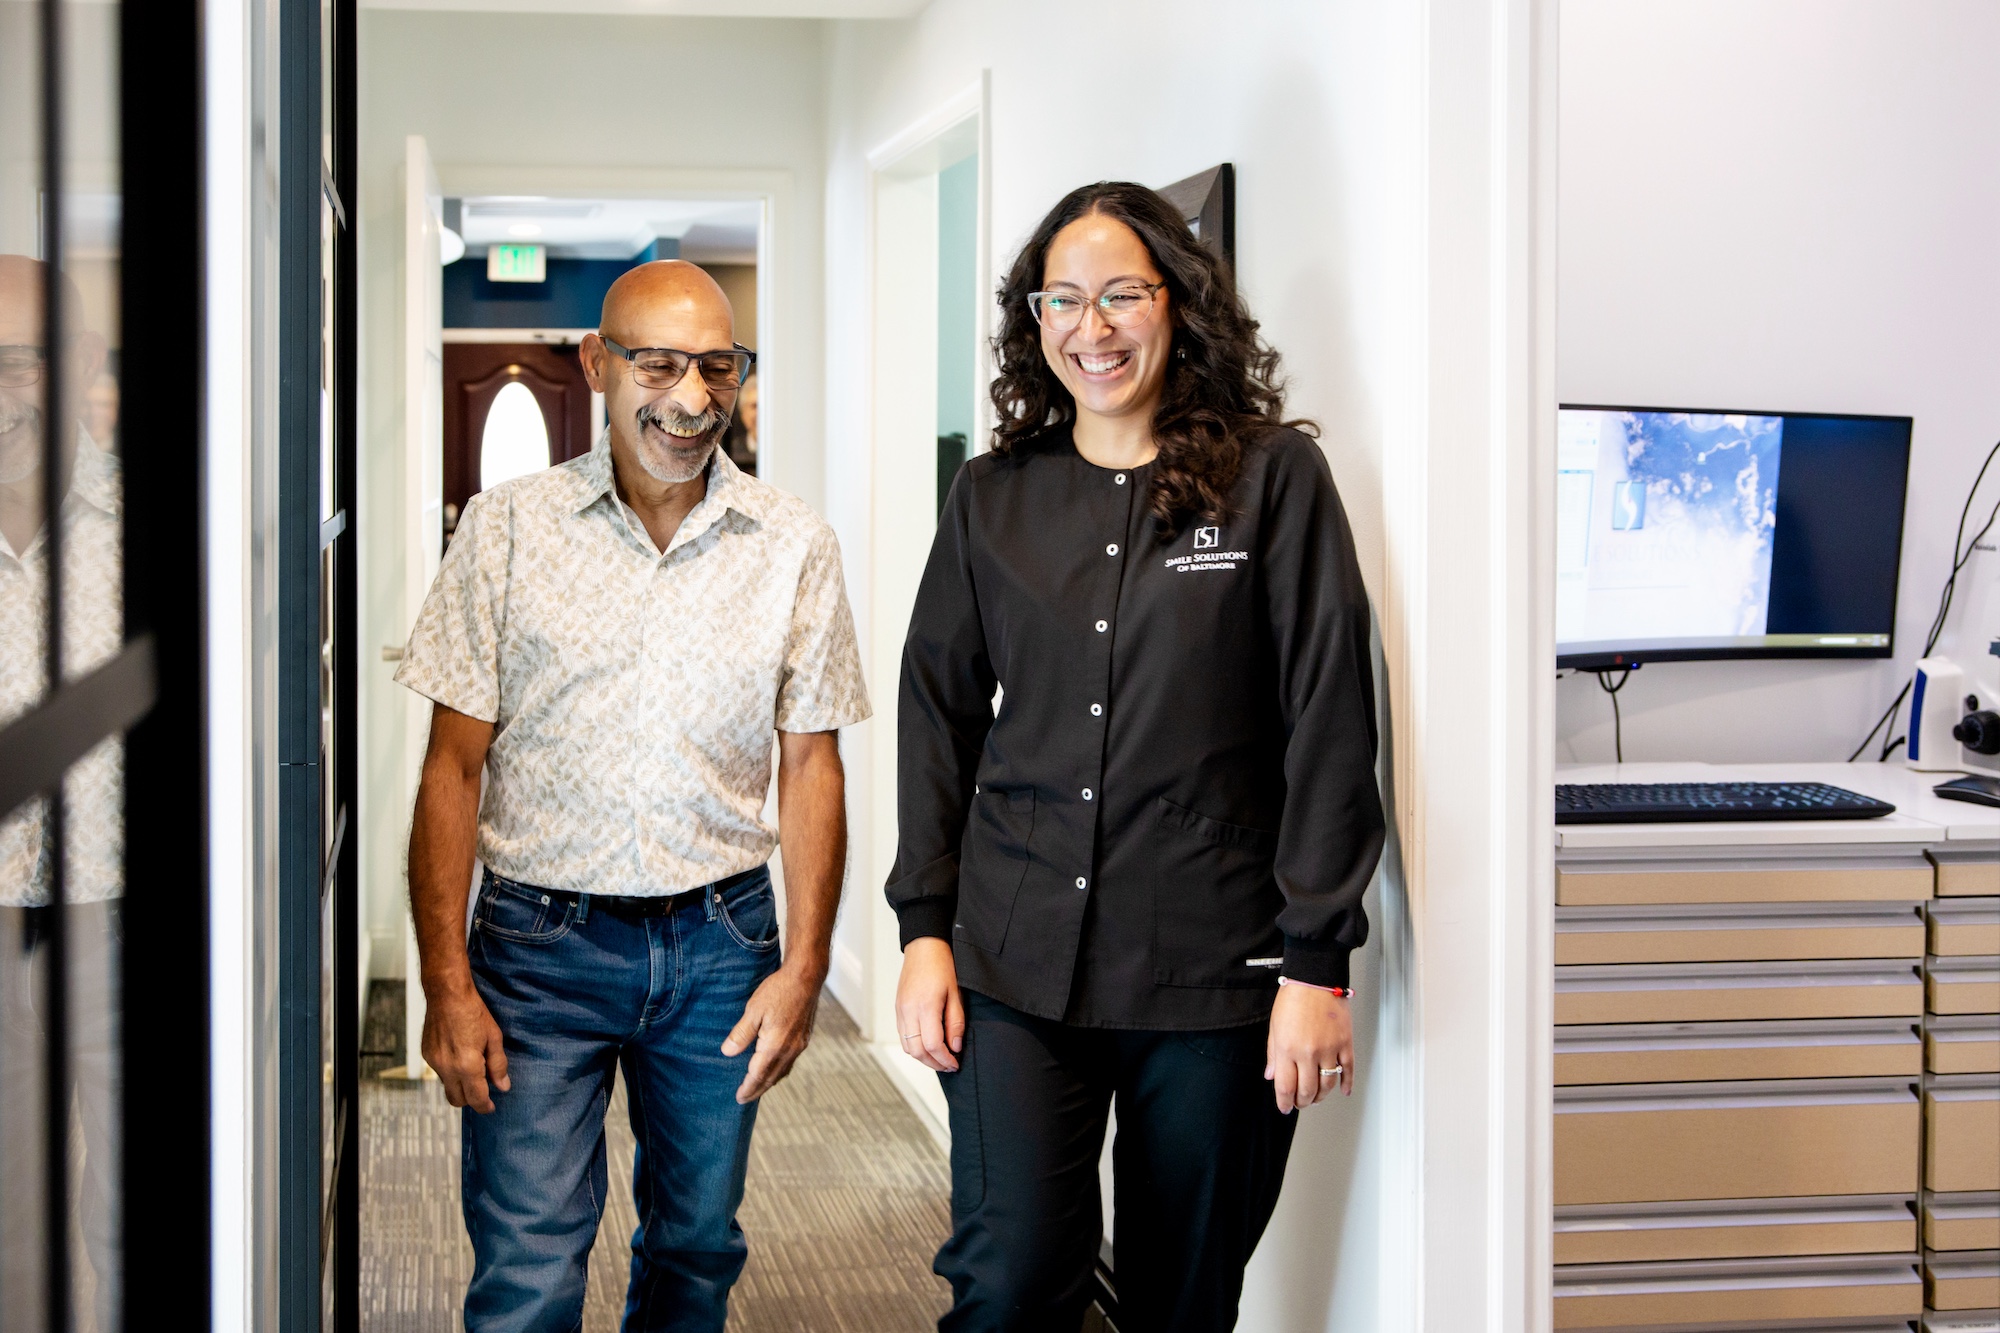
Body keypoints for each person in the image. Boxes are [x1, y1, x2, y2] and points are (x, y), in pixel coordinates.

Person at [889, 183, 1385, 1332]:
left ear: (1180, 302)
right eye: (1063, 298)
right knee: (1007, 1283)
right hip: (1015, 969)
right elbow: (935, 714)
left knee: (1180, 1299)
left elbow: (1328, 718)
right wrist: (923, 929)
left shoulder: (1271, 482)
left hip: (1214, 971)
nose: (1091, 326)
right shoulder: (991, 497)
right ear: (1035, 319)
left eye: (1120, 294)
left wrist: (1316, 962)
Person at [397, 260, 869, 1333]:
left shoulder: (793, 544)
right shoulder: (507, 529)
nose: (692, 398)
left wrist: (803, 967)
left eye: (717, 367)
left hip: (719, 942)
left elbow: (811, 767)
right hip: (537, 946)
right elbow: (451, 770)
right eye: (659, 364)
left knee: (697, 1248)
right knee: (528, 1267)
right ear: (599, 363)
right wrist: (445, 980)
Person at [0, 254, 122, 1333]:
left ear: (82, 362)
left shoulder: (155, 532)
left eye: (22, 362)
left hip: (120, 918)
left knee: (136, 1212)